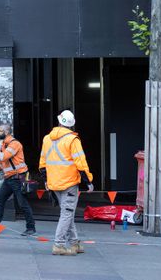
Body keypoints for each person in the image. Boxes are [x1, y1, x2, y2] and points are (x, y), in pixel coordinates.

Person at [38, 109, 94, 256]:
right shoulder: (72, 140)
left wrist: (45, 180)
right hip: (69, 183)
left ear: (59, 121)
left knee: (67, 213)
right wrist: (88, 181)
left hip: (54, 183)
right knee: (67, 213)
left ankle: (75, 243)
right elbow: (81, 162)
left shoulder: (46, 139)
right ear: (71, 125)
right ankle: (59, 244)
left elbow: (42, 163)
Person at [0, 124, 36, 236]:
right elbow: (1, 164)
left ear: (6, 132)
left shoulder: (14, 144)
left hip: (17, 178)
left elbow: (3, 157)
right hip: (10, 178)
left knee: (22, 204)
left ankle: (31, 228)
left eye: (0, 131)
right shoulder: (4, 145)